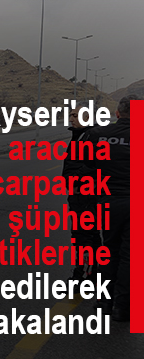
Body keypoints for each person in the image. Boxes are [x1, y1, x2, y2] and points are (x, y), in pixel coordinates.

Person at [81, 94, 134, 322]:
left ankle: (104, 303)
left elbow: (85, 159)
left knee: (108, 252)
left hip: (108, 201)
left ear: (117, 113)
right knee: (129, 256)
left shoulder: (99, 134)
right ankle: (123, 307)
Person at [61, 107, 97, 282]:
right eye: (70, 115)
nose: (71, 119)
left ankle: (83, 276)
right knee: (82, 236)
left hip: (86, 197)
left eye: (75, 116)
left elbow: (93, 165)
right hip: (78, 197)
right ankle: (88, 274)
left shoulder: (91, 136)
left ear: (87, 117)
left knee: (85, 237)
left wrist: (75, 181)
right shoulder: (80, 135)